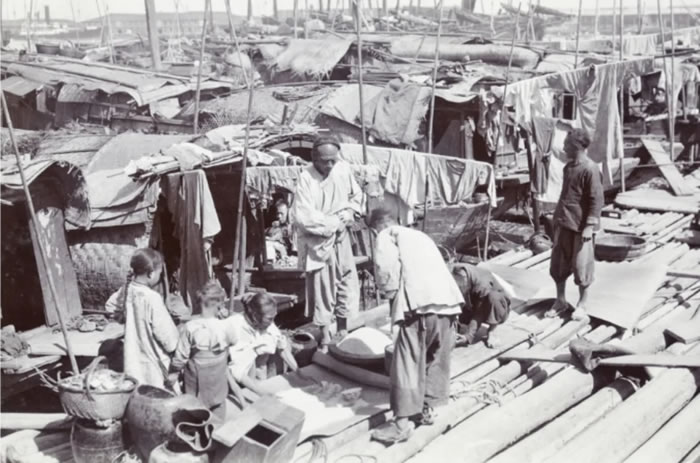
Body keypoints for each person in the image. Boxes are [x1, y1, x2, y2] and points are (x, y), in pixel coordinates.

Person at [369, 208, 464, 444]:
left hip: (419, 306)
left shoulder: (386, 235)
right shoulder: (420, 236)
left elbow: (385, 271)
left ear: (376, 228)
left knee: (407, 364)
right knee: (435, 359)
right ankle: (425, 410)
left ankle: (401, 425)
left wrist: (393, 301)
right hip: (448, 304)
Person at [292, 135, 363, 350]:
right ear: (314, 158)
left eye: (334, 159)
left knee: (345, 281)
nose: (330, 165)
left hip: (342, 238)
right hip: (318, 241)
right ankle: (324, 336)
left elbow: (357, 197)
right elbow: (303, 216)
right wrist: (334, 223)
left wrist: (348, 214)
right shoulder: (306, 178)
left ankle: (342, 329)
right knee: (323, 287)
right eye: (325, 161)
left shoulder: (343, 169)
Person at [546, 129, 603, 320]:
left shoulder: (590, 169)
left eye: (567, 145)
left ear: (577, 146)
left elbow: (596, 200)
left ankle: (582, 304)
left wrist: (589, 226)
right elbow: (566, 195)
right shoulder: (568, 168)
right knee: (558, 264)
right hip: (564, 222)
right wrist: (557, 219)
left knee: (581, 266)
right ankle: (560, 300)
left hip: (581, 227)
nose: (564, 149)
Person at [106, 248, 179, 389]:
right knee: (159, 395)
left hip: (132, 360)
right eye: (159, 273)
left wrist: (123, 318)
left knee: (137, 391)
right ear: (151, 273)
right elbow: (168, 338)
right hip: (154, 363)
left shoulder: (127, 289)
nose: (159, 276)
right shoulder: (152, 298)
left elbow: (110, 307)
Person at [225, 293, 307, 404]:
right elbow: (238, 373)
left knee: (285, 343)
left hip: (255, 368)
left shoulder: (266, 323)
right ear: (255, 316)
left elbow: (282, 348)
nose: (272, 322)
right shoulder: (236, 328)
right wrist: (264, 394)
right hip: (227, 375)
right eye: (269, 319)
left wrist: (300, 374)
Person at [169, 280, 233, 419]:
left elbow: (181, 356)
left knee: (194, 411)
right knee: (219, 407)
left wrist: (174, 372)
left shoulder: (191, 327)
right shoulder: (226, 326)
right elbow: (233, 341)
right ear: (220, 306)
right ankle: (218, 426)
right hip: (218, 381)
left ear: (199, 304)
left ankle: (196, 425)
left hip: (197, 382)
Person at [451, 264, 511, 348]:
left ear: (466, 280)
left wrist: (468, 336)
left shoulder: (482, 284)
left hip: (496, 308)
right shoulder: (455, 274)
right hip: (473, 302)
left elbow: (479, 313)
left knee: (493, 297)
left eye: (461, 286)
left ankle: (492, 330)